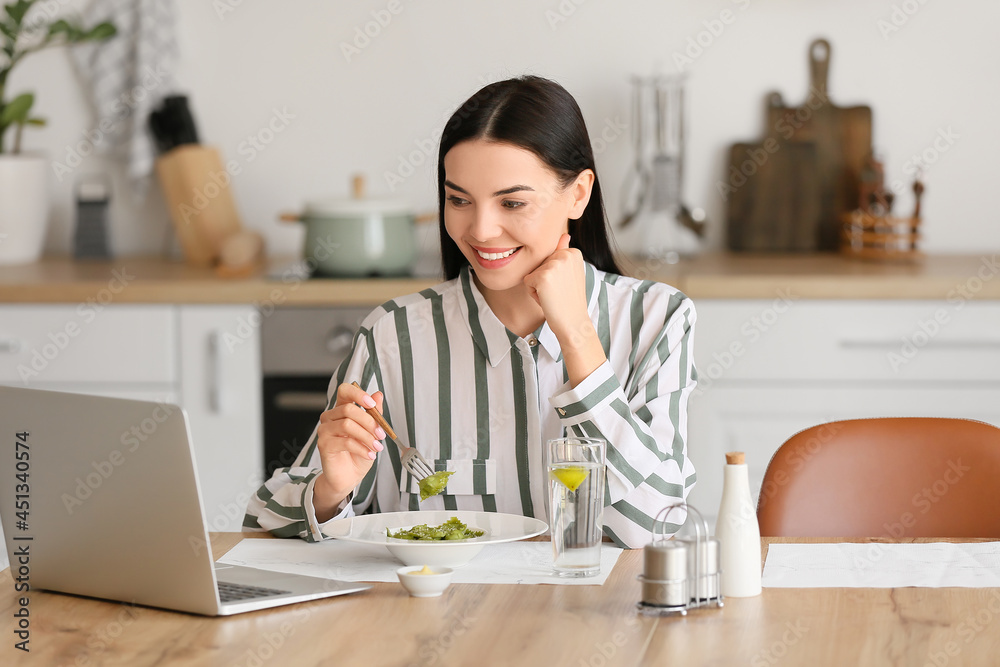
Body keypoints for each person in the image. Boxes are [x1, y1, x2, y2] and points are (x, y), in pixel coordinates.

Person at [244, 75, 697, 548]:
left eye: (512, 202)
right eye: (459, 200)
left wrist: (578, 335)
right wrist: (330, 490)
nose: (480, 230)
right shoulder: (392, 336)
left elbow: (652, 523)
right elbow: (261, 527)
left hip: (594, 619)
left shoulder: (657, 318)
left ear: (578, 194)